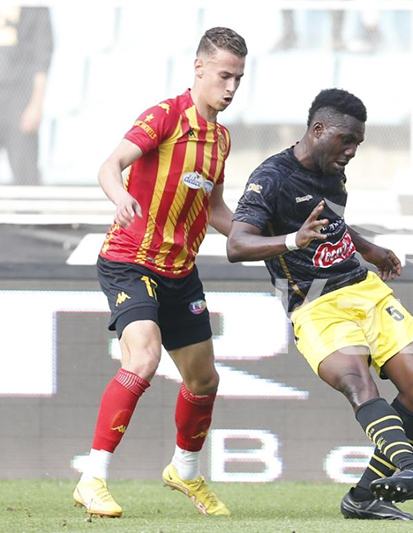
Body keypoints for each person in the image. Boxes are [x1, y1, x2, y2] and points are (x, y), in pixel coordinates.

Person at [227, 88, 413, 521]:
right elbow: (236, 243)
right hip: (315, 302)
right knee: (356, 379)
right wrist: (292, 240)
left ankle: (363, 498)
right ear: (318, 130)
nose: (352, 151)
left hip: (363, 288)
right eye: (346, 141)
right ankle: (410, 467)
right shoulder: (270, 178)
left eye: (358, 143)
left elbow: (331, 222)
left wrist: (368, 248)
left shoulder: (331, 171)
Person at [73, 27, 247, 518]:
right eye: (223, 75)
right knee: (144, 357)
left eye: (238, 78)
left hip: (180, 272)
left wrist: (261, 241)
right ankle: (92, 478)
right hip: (130, 260)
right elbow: (110, 166)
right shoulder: (166, 116)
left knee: (204, 380)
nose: (231, 87)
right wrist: (120, 195)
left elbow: (215, 209)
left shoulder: (221, 139)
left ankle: (185, 471)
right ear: (199, 70)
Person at [0, 6, 53, 185]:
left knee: (25, 175)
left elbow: (41, 58)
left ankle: (30, 213)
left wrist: (36, 104)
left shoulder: (34, 7)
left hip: (20, 98)